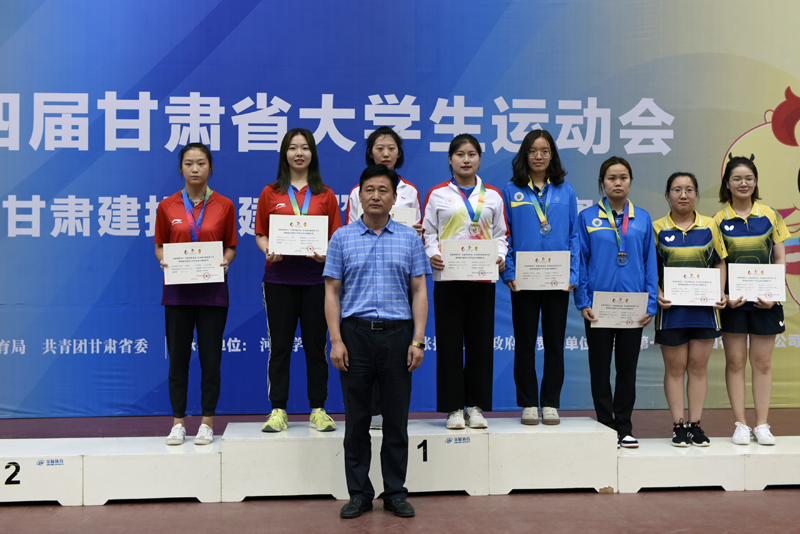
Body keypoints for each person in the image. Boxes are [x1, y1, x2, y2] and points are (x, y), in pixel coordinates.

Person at [324, 165, 431, 519]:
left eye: (383, 190)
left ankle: (395, 492)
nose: (375, 196)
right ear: (359, 196)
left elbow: (419, 290)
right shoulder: (341, 238)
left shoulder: (409, 239)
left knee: (396, 421)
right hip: (354, 336)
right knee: (356, 421)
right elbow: (332, 292)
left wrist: (418, 340)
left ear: (394, 198)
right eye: (369, 189)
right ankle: (359, 494)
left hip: (398, 336)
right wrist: (336, 340)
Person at [255, 128, 342, 433]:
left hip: (316, 281)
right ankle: (278, 409)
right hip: (279, 279)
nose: (299, 153)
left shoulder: (325, 194)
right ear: (285, 154)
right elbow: (261, 233)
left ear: (312, 154)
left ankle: (318, 408)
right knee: (279, 347)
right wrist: (268, 250)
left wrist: (325, 254)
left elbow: (335, 237)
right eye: (293, 148)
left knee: (316, 347)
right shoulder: (270, 192)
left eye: (305, 147)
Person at [422, 134, 509, 430]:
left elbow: (501, 235)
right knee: (448, 343)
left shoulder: (493, 195)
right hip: (448, 277)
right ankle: (452, 409)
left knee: (480, 343)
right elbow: (429, 232)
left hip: (482, 278)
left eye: (472, 154)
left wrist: (499, 256)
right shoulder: (437, 194)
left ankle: (474, 407)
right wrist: (433, 254)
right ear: (450, 159)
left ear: (479, 160)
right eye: (460, 154)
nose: (466, 159)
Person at [155, 142, 237, 446]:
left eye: (201, 163)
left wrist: (225, 261)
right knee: (178, 360)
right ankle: (178, 423)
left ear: (210, 168)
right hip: (177, 293)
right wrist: (163, 260)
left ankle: (207, 422)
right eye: (189, 163)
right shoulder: (167, 206)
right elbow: (160, 246)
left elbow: (231, 245)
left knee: (210, 360)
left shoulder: (225, 205)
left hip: (213, 293)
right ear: (181, 168)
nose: (194, 169)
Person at [575, 156, 657, 448]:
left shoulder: (642, 218)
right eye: (611, 178)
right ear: (602, 183)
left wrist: (650, 304)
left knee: (627, 369)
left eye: (623, 177)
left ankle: (624, 426)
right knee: (599, 369)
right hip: (599, 306)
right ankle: (605, 425)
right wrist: (582, 300)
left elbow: (650, 263)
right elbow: (581, 261)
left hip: (632, 306)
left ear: (630, 181)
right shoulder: (587, 217)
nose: (617, 183)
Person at [344, 126, 423, 430]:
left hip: (396, 271)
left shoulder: (410, 191)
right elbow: (351, 228)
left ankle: (388, 412)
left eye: (391, 148)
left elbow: (418, 229)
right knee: (364, 347)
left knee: (393, 347)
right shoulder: (357, 191)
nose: (386, 153)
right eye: (380, 148)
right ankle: (372, 410)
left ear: (399, 153)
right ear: (370, 153)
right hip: (364, 274)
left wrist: (413, 233)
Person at [501, 130, 578, 426]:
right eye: (532, 151)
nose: (538, 156)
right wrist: (509, 271)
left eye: (544, 151)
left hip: (557, 279)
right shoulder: (511, 191)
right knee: (524, 343)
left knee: (555, 343)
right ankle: (529, 403)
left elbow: (574, 235)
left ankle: (551, 402)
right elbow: (505, 235)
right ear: (525, 154)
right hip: (524, 280)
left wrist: (572, 273)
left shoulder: (565, 191)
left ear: (552, 155)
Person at [713, 155, 789, 446]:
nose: (743, 183)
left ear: (756, 182)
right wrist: (724, 295)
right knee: (735, 362)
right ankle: (741, 425)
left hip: (765, 302)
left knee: (762, 363)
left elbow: (780, 257)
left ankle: (762, 425)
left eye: (749, 178)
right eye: (737, 178)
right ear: (727, 184)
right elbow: (719, 263)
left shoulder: (770, 215)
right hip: (734, 303)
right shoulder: (718, 220)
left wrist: (774, 294)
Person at [653, 172, 727, 447]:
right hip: (671, 311)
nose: (683, 195)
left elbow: (720, 262)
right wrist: (657, 292)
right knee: (675, 368)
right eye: (677, 190)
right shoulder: (656, 228)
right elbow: (649, 268)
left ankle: (695, 425)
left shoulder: (710, 225)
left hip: (704, 309)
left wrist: (720, 291)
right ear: (667, 195)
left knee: (697, 367)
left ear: (696, 195)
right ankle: (678, 426)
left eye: (689, 190)